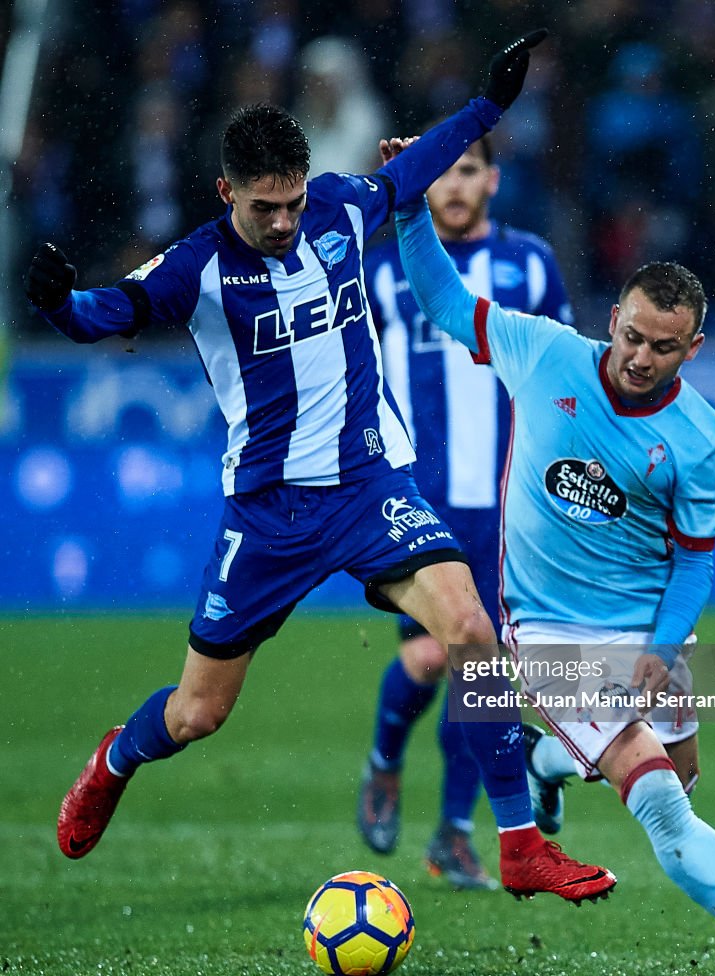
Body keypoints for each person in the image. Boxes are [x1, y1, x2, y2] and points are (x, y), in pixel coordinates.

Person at [25, 31, 618, 907]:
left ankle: (520, 845)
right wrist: (56, 303)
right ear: (226, 192)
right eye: (266, 207)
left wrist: (490, 105)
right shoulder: (196, 267)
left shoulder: (341, 208)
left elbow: (417, 170)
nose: (285, 221)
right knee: (198, 714)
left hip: (370, 486)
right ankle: (115, 759)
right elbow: (113, 309)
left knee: (471, 634)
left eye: (293, 202)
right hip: (267, 513)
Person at [391, 192, 715, 975]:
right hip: (549, 631)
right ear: (613, 319)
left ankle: (544, 763)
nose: (639, 356)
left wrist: (663, 650)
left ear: (691, 348)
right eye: (631, 336)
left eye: (663, 347)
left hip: (647, 630)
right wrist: (407, 208)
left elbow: (694, 560)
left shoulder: (701, 439)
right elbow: (442, 300)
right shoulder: (543, 351)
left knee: (683, 780)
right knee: (660, 798)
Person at [357, 133, 574, 890]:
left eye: (468, 170)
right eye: (441, 172)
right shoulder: (380, 268)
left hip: (507, 504)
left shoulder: (530, 265)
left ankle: (453, 830)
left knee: (481, 674)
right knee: (427, 656)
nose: (453, 186)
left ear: (492, 179)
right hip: (414, 495)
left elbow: (559, 372)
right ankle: (385, 764)